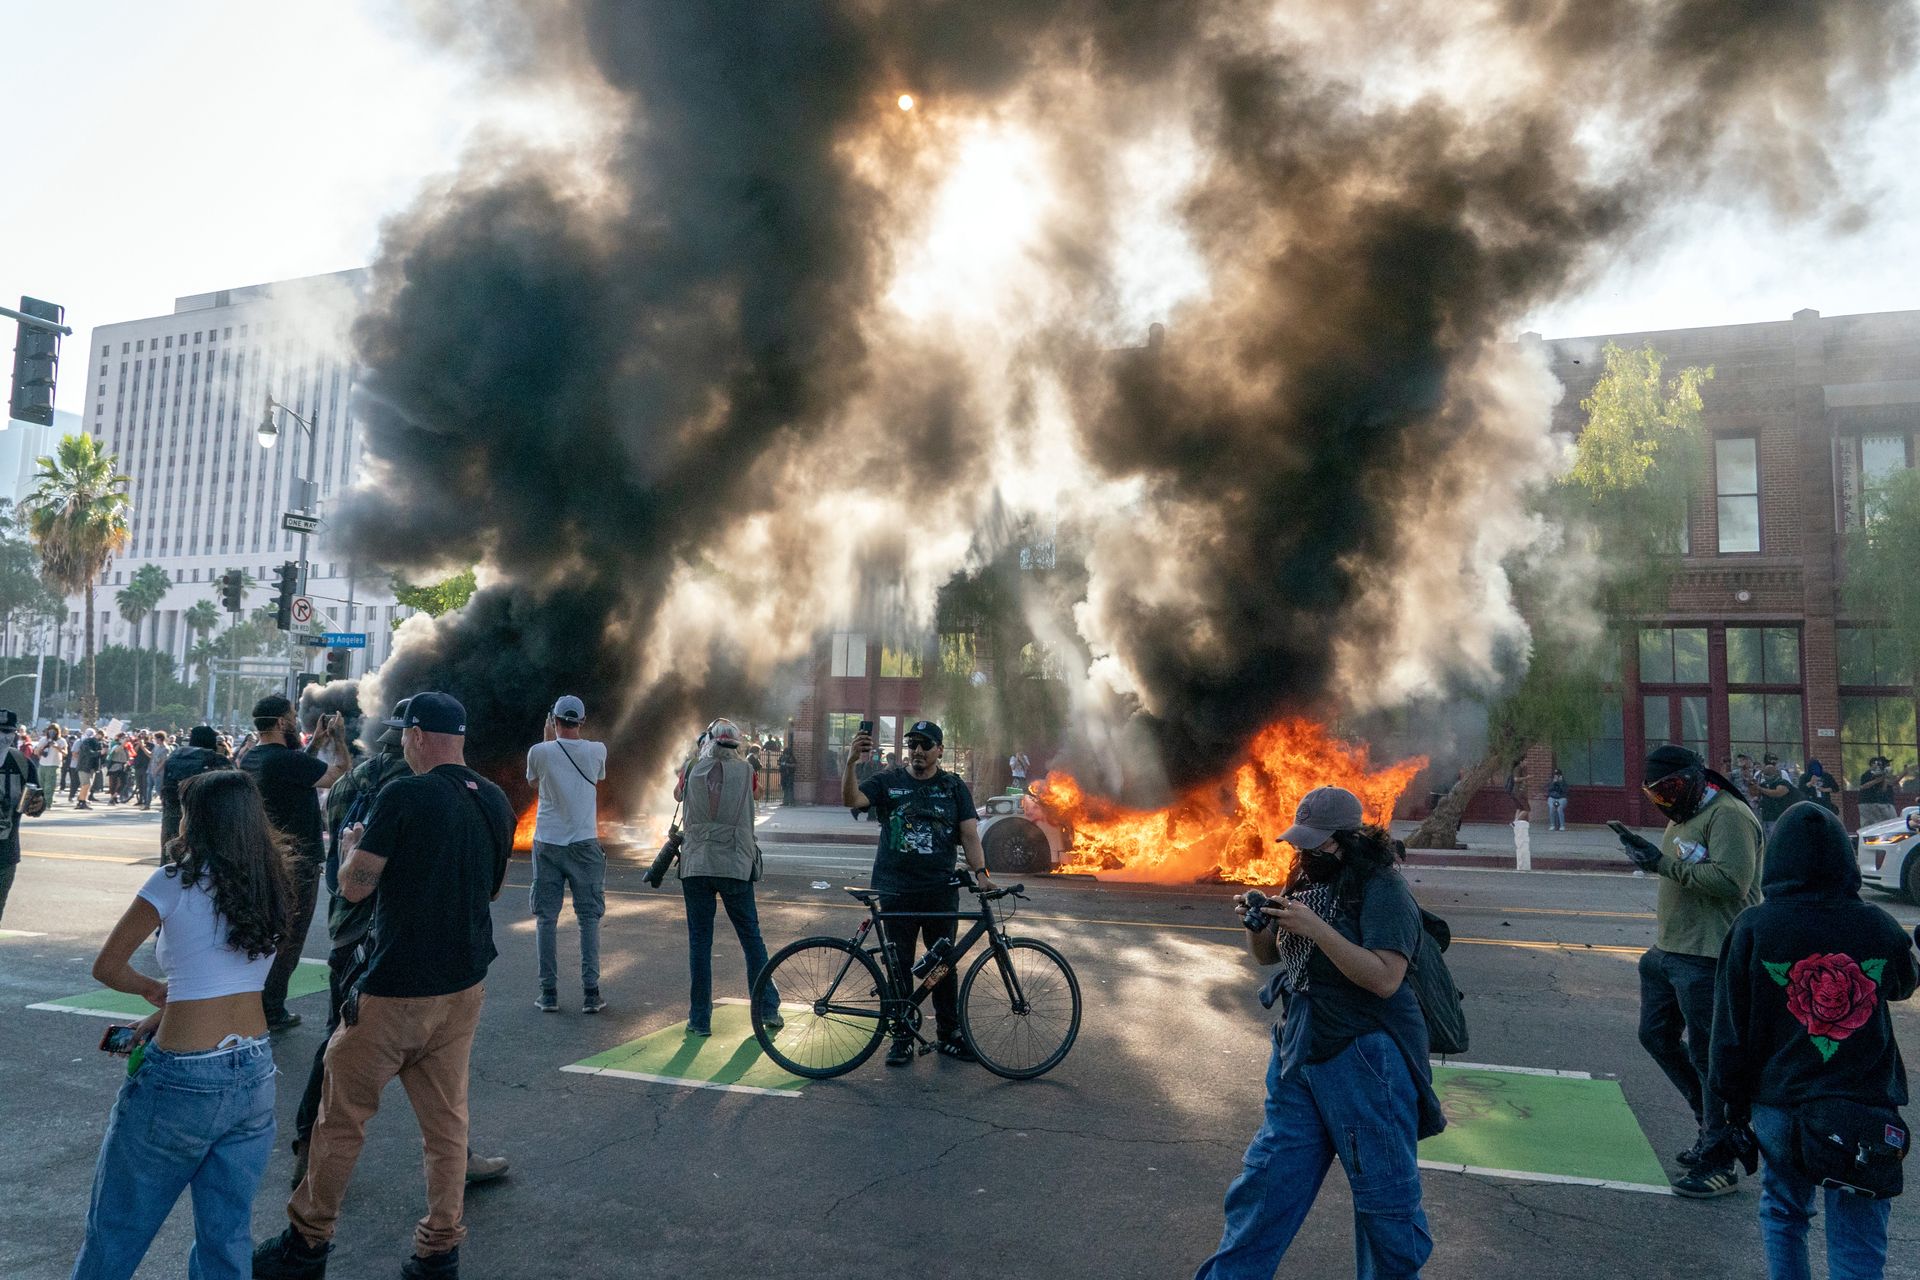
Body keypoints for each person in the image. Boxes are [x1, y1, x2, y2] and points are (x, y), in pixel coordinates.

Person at [253, 692, 511, 1280]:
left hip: (395, 988)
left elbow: (355, 888)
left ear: (419, 736)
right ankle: (438, 1252)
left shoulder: (404, 794)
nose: (400, 743)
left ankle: (306, 1245)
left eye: (404, 734)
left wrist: (348, 850)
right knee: (448, 1127)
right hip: (464, 987)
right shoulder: (493, 798)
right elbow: (492, 892)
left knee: (339, 1120)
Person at [1194, 787, 1442, 1279]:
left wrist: (1317, 930)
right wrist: (1258, 922)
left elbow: (1385, 977)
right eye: (1300, 845)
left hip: (1365, 1057)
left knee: (1385, 1209)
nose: (1306, 855)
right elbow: (1268, 957)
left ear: (1349, 840)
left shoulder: (1383, 888)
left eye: (1318, 845)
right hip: (1300, 1049)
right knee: (1265, 1187)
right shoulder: (1304, 876)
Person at [69, 769, 293, 1279]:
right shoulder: (270, 877)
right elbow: (225, 974)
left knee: (118, 1227)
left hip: (183, 1077)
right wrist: (166, 1009)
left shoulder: (174, 879)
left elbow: (107, 967)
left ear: (199, 819)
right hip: (254, 1067)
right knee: (227, 1235)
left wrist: (150, 990)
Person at [1710, 801, 1920, 1280]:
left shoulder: (1753, 927)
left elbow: (1729, 1032)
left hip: (1780, 1104)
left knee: (1784, 1213)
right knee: (1858, 1236)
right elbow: (1903, 984)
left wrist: (1730, 1107)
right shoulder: (1873, 924)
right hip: (1861, 1107)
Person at [1612, 744, 1763, 1197]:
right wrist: (1650, 857)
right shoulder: (1686, 815)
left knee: (1708, 1056)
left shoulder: (1728, 815)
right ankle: (1710, 1126)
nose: (1665, 801)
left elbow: (1733, 882)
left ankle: (1720, 1161)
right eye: (1655, 795)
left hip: (1709, 955)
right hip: (1669, 952)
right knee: (1655, 1036)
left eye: (1671, 789)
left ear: (1696, 778)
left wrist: (1661, 864)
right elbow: (1681, 867)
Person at [843, 718, 991, 1066]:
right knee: (899, 965)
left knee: (943, 965)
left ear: (940, 750)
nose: (919, 751)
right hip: (896, 891)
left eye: (926, 745)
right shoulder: (888, 782)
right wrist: (851, 762)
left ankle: (949, 1034)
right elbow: (852, 798)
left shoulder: (954, 787)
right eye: (913, 745)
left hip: (940, 891)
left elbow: (969, 835)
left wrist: (982, 873)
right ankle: (901, 1037)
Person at [241, 695, 348, 1033]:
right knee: (289, 938)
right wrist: (339, 740)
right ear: (280, 723)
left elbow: (294, 770)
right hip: (296, 862)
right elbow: (340, 774)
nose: (295, 721)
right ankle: (271, 1009)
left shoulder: (253, 757)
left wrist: (315, 743)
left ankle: (252, 1003)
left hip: (263, 857)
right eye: (292, 716)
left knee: (266, 934)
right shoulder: (286, 760)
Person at [671, 717, 780, 1036]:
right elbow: (756, 797)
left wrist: (699, 752)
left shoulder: (691, 767)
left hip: (697, 865)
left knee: (700, 943)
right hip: (735, 864)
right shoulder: (747, 771)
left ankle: (700, 1019)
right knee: (751, 939)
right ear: (736, 744)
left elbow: (678, 797)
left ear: (709, 740)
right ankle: (768, 1009)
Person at [525, 694, 609, 1014]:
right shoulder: (597, 750)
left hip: (547, 843)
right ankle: (591, 993)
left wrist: (548, 741)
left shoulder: (539, 752)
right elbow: (597, 777)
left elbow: (534, 782)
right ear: (582, 722)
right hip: (585, 845)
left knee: (546, 919)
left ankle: (548, 993)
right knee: (588, 919)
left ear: (554, 720)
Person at [163, 726, 234, 851]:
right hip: (206, 820)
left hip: (172, 815)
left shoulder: (174, 757)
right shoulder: (217, 760)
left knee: (172, 860)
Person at [0, 711, 37, 923]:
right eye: (0, 731)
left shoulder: (22, 763)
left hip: (5, 853)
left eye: (9, 732)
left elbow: (35, 803)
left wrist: (36, 805)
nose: (4, 737)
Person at [1753, 755, 1798, 843]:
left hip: (1778, 816)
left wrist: (1760, 789)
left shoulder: (1783, 782)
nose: (1767, 777)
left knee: (1777, 839)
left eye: (1769, 774)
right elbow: (1756, 795)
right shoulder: (1763, 783)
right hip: (1766, 816)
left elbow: (1778, 793)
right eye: (1765, 774)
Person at [1857, 756, 1899, 827]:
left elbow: (1884, 789)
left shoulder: (1880, 775)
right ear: (1872, 764)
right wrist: (1879, 779)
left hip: (1876, 802)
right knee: (1867, 824)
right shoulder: (1867, 774)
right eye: (1877, 764)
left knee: (1878, 824)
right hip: (1866, 802)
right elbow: (1863, 786)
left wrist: (1884, 778)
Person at [145, 731, 171, 812]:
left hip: (159, 772)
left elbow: (164, 761)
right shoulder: (156, 747)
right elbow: (151, 755)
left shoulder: (165, 749)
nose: (154, 740)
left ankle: (164, 805)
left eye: (155, 738)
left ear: (160, 738)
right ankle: (147, 805)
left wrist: (157, 770)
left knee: (158, 789)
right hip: (151, 770)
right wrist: (143, 747)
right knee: (149, 788)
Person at [39, 725, 64, 803]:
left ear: (57, 731)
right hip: (43, 764)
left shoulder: (61, 740)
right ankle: (41, 803)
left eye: (54, 730)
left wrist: (57, 747)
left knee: (49, 786)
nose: (52, 732)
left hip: (54, 765)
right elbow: (36, 751)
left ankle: (48, 803)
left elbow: (65, 753)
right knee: (41, 785)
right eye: (50, 730)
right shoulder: (43, 739)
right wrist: (44, 745)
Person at [1546, 767, 1569, 832]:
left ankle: (1562, 826)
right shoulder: (1551, 781)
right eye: (1555, 775)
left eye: (1558, 775)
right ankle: (1552, 825)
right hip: (1552, 797)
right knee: (1552, 808)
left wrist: (1561, 783)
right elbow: (1549, 789)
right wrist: (1553, 782)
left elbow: (1565, 791)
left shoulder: (1563, 781)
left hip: (1562, 798)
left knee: (1559, 808)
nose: (1556, 776)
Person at [777, 739, 797, 807]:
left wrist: (787, 764)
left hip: (789, 774)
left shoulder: (791, 757)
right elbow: (778, 762)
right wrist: (782, 763)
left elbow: (794, 764)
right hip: (784, 774)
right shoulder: (782, 757)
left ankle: (791, 802)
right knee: (785, 788)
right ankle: (785, 802)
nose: (786, 754)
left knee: (789, 788)